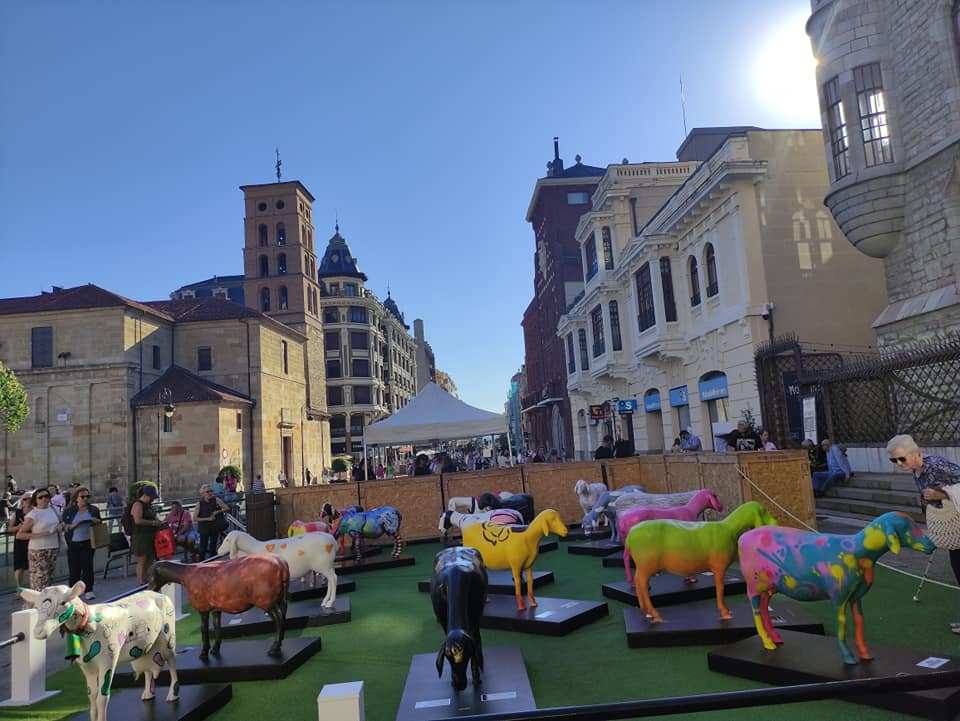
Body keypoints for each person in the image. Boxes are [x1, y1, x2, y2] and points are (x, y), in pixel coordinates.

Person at [887, 433, 960, 632]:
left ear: (916, 453)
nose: (899, 463)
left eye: (902, 458)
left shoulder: (936, 465)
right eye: (894, 460)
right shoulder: (916, 470)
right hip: (951, 528)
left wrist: (941, 494)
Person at [17, 488, 62, 591]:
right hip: (38, 551)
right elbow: (20, 535)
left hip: (53, 548)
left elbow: (60, 523)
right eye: (40, 497)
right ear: (35, 500)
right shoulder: (33, 514)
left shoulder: (53, 510)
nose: (44, 499)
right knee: (39, 582)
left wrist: (61, 527)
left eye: (46, 496)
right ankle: (37, 600)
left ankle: (45, 600)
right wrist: (43, 534)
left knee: (49, 579)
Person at [62, 487, 101, 600]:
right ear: (76, 498)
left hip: (88, 542)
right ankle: (73, 591)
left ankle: (88, 590)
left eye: (87, 496)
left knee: (87, 566)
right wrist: (76, 524)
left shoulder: (93, 509)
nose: (85, 499)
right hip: (73, 543)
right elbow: (65, 527)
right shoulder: (69, 511)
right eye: (82, 497)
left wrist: (95, 520)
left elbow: (99, 522)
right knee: (74, 568)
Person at [129, 485, 163, 583]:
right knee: (142, 561)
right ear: (146, 495)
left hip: (150, 536)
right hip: (141, 537)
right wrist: (153, 523)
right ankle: (141, 582)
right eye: (152, 497)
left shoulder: (148, 505)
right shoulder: (138, 504)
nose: (153, 499)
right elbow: (137, 520)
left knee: (150, 560)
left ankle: (148, 580)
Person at [196, 484, 230, 560]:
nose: (210, 493)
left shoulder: (216, 500)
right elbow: (195, 518)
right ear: (203, 493)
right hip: (204, 528)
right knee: (203, 547)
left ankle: (212, 562)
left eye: (211, 491)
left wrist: (217, 512)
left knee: (213, 546)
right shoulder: (199, 503)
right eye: (208, 491)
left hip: (215, 526)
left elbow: (227, 508)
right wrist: (208, 519)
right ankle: (201, 563)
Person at [8, 492, 33, 588]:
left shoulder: (36, 512)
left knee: (32, 566)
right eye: (25, 499)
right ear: (22, 501)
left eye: (30, 498)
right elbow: (9, 529)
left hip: (33, 541)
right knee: (19, 566)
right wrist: (19, 527)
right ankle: (19, 588)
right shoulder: (17, 513)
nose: (28, 501)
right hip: (19, 542)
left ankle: (33, 587)